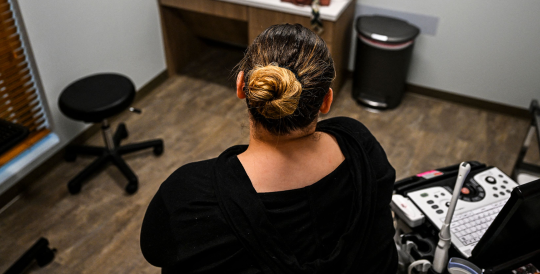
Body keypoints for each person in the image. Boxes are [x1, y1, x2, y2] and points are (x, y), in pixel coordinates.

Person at [141, 24, 398, 274]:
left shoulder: (188, 194)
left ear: (242, 86)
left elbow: (155, 251)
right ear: (326, 101)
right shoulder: (358, 142)